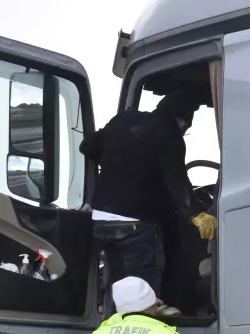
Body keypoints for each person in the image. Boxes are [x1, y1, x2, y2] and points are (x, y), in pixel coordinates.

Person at [80, 90, 216, 316]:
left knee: (120, 284)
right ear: (181, 120)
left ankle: (113, 331)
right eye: (186, 127)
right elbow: (176, 181)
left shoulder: (124, 119)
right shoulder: (170, 135)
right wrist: (197, 214)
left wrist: (118, 165)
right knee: (144, 292)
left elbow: (87, 146)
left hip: (102, 219)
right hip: (135, 225)